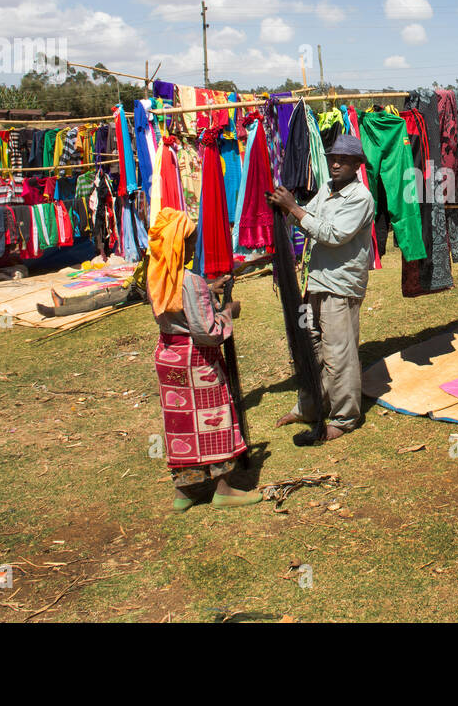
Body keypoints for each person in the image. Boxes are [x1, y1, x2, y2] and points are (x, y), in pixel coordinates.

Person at [147, 206, 259, 512]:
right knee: (213, 420)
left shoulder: (157, 275)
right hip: (197, 362)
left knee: (181, 423)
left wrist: (207, 291)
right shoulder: (190, 282)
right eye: (192, 241)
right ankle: (223, 489)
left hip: (169, 357)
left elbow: (179, 305)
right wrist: (227, 312)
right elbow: (207, 332)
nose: (195, 247)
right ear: (179, 244)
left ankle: (185, 491)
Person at [266, 134, 375, 443]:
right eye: (332, 159)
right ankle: (310, 406)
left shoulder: (360, 198)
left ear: (357, 165)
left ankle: (344, 417)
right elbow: (308, 215)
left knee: (339, 354)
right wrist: (285, 208)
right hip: (314, 283)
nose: (335, 163)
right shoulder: (326, 190)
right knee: (310, 351)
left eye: (342, 160)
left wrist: (293, 209)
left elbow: (332, 234)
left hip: (340, 286)